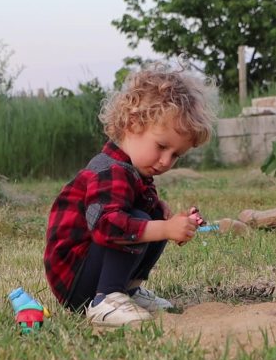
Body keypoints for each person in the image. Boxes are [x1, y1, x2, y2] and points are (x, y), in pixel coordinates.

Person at [44, 63, 218, 327]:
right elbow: (107, 227)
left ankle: (129, 291)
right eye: (161, 146)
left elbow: (149, 216)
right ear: (133, 123)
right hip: (75, 279)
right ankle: (106, 300)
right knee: (136, 219)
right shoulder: (110, 171)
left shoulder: (136, 170)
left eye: (175, 155)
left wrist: (170, 222)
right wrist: (162, 229)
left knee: (156, 212)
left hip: (91, 268)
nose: (165, 161)